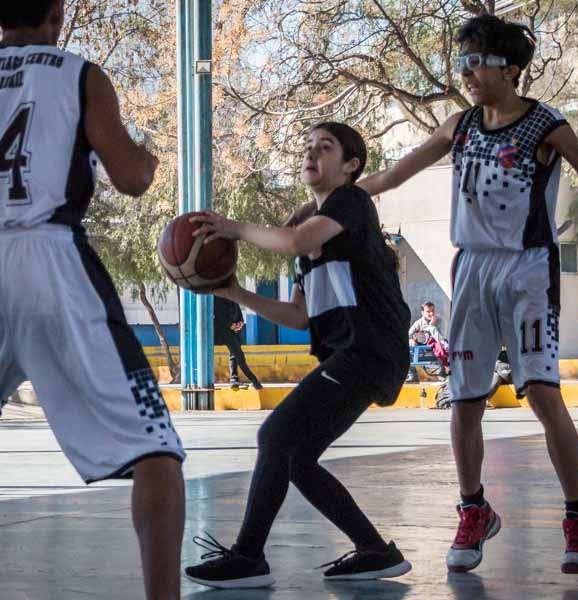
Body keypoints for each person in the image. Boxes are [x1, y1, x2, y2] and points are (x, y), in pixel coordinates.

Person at [355, 14, 578, 575]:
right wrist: (333, 197)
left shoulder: (546, 126)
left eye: (478, 61)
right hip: (472, 267)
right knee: (465, 400)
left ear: (513, 70)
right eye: (463, 62)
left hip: (527, 269)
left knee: (544, 396)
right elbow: (391, 178)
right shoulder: (459, 126)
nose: (468, 72)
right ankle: (474, 509)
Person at [0, 2, 185, 599]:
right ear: (56, 13)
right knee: (156, 449)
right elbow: (131, 177)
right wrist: (148, 158)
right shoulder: (78, 73)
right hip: (48, 255)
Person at [185, 123, 412, 588]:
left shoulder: (350, 202)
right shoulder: (308, 239)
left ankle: (248, 557)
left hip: (367, 350)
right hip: (357, 355)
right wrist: (235, 291)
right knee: (296, 459)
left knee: (274, 435)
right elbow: (296, 316)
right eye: (307, 146)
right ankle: (375, 551)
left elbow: (294, 240)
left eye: (325, 147)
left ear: (351, 166)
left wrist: (232, 228)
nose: (312, 152)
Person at [214, 296, 262, 390]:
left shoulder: (231, 293)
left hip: (234, 329)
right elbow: (218, 312)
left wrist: (240, 322)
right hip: (224, 330)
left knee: (235, 355)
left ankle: (234, 379)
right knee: (239, 356)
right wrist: (230, 325)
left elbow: (237, 308)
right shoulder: (218, 295)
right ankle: (255, 382)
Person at [407, 301, 449, 380]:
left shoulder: (440, 320)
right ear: (422, 312)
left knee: (440, 346)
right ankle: (412, 374)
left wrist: (432, 326)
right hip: (422, 350)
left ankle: (442, 372)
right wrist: (411, 339)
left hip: (435, 349)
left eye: (432, 311)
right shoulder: (418, 323)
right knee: (404, 347)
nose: (431, 313)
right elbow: (408, 335)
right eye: (428, 311)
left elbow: (441, 339)